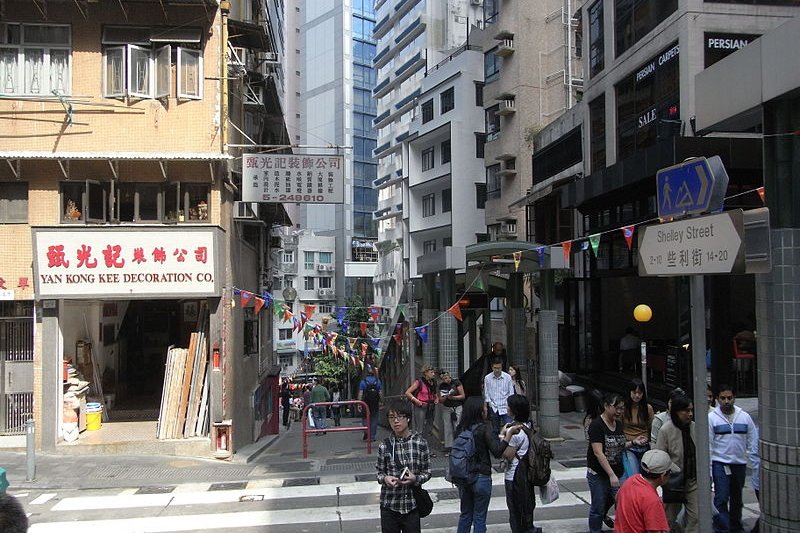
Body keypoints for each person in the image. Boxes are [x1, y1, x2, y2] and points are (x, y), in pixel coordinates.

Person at [454, 396, 516, 533]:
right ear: (479, 411)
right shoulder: (484, 428)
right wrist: (507, 435)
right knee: (479, 517)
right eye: (485, 407)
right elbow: (497, 451)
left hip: (463, 477)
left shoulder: (460, 429)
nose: (486, 410)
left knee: (465, 514)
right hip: (481, 476)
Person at [709, 384, 760, 533]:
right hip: (720, 463)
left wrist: (752, 458)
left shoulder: (744, 417)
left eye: (729, 398)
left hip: (739, 464)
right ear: (717, 399)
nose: (726, 401)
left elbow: (753, 439)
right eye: (723, 398)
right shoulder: (712, 418)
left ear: (734, 398)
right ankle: (723, 529)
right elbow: (709, 444)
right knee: (721, 498)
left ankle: (736, 527)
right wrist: (710, 468)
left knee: (737, 499)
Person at [376, 399, 431, 533]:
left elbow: (427, 472)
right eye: (392, 417)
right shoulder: (384, 445)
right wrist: (385, 479)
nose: (395, 421)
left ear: (408, 418)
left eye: (399, 417)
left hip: (411, 505)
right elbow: (379, 473)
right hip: (389, 505)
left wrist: (415, 479)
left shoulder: (420, 443)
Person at [655, 393, 698, 533]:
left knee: (696, 517)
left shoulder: (695, 427)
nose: (690, 414)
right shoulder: (666, 430)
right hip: (673, 482)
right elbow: (660, 457)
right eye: (686, 411)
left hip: (693, 480)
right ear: (676, 412)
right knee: (668, 519)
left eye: (691, 410)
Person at [586, 392, 628, 533]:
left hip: (617, 470)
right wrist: (611, 475)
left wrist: (633, 442)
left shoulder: (619, 425)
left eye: (622, 408)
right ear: (606, 406)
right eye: (616, 408)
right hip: (599, 473)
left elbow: (619, 445)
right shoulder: (596, 425)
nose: (619, 411)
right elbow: (598, 452)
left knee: (620, 502)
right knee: (598, 507)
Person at [614, 449, 678, 533]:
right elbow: (655, 531)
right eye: (669, 472)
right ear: (662, 475)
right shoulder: (653, 501)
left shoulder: (630, 481)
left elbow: (617, 500)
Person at [502, 394, 540, 533]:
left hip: (515, 476)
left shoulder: (516, 432)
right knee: (526, 507)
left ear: (514, 410)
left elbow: (507, 455)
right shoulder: (527, 426)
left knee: (516, 512)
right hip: (525, 475)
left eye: (508, 406)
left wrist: (504, 436)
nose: (507, 408)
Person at [622, 378, 654, 475]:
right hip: (629, 446)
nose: (637, 395)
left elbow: (651, 427)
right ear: (629, 392)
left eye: (640, 393)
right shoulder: (623, 408)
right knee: (634, 474)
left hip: (645, 446)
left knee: (646, 476)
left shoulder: (647, 408)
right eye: (634, 392)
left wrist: (647, 439)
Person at [405, 365, 438, 452]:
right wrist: (416, 401)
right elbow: (408, 392)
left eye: (433, 372)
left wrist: (436, 398)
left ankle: (428, 449)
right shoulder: (419, 382)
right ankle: (419, 449)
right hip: (421, 406)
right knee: (420, 428)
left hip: (431, 406)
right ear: (426, 373)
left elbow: (434, 393)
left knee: (429, 428)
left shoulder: (433, 382)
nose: (433, 374)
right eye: (431, 372)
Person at [483, 357, 515, 437]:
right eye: (495, 368)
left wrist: (509, 405)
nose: (497, 370)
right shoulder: (487, 378)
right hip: (494, 407)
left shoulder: (507, 377)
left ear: (501, 367)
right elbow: (486, 393)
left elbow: (511, 393)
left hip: (505, 406)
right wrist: (489, 404)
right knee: (495, 430)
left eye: (499, 368)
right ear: (492, 367)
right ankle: (496, 446)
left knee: (509, 427)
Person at [438, 370, 466, 451]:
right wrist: (445, 396)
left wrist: (453, 397)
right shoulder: (442, 386)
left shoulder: (456, 382)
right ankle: (449, 446)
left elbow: (463, 396)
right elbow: (441, 400)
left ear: (449, 376)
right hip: (447, 407)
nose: (445, 380)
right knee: (447, 426)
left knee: (457, 425)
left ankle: (459, 444)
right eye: (443, 379)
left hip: (457, 406)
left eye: (446, 378)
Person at [359, 368, 383, 441]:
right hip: (375, 403)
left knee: (365, 418)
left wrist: (359, 403)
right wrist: (381, 401)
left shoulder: (363, 382)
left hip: (365, 403)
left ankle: (366, 431)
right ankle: (372, 436)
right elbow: (380, 393)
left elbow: (360, 393)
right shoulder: (377, 381)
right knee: (374, 419)